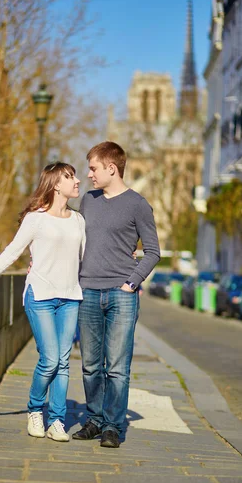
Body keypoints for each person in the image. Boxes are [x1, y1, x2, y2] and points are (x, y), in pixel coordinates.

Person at [0, 162, 85, 443]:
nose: (77, 181)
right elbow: (12, 251)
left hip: (70, 298)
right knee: (50, 360)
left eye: (75, 176)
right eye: (70, 177)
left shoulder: (78, 220)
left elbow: (83, 261)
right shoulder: (35, 219)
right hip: (39, 296)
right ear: (55, 184)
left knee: (63, 363)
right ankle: (35, 410)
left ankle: (57, 421)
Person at [72, 141, 160, 448]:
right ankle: (94, 419)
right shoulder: (88, 200)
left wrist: (131, 283)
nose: (89, 174)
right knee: (90, 365)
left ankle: (112, 425)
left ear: (112, 168)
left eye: (94, 168)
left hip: (121, 294)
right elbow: (77, 243)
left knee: (118, 367)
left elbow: (153, 252)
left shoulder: (138, 204)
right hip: (88, 292)